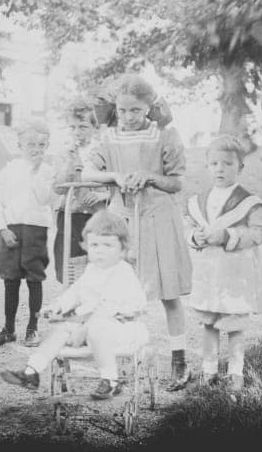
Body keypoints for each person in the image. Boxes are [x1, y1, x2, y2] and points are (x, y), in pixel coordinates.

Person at [82, 73, 193, 391]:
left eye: (136, 110)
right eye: (123, 110)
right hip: (125, 220)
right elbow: (89, 171)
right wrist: (116, 177)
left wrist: (149, 176)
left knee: (168, 293)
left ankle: (179, 362)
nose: (128, 117)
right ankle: (115, 369)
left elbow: (177, 181)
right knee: (118, 294)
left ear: (149, 107)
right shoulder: (110, 137)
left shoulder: (166, 135)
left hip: (158, 217)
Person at [0, 211, 148, 400]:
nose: (100, 250)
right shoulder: (92, 269)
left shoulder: (122, 273)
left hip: (119, 328)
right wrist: (58, 306)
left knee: (97, 328)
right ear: (86, 246)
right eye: (94, 245)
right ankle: (32, 371)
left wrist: (84, 330)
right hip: (87, 325)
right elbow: (76, 292)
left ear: (122, 249)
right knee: (61, 330)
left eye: (107, 245)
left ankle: (110, 379)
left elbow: (107, 309)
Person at [186, 134, 262, 394]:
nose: (220, 169)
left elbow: (258, 234)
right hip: (209, 273)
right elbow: (189, 227)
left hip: (234, 274)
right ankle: (208, 369)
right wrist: (194, 236)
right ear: (207, 166)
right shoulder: (198, 201)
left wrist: (229, 236)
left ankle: (235, 371)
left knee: (233, 324)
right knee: (208, 322)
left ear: (240, 168)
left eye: (228, 164)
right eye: (215, 164)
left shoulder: (248, 202)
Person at [0, 119, 53, 348]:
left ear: (47, 146)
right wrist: (2, 228)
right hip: (11, 230)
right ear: (20, 145)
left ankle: (33, 328)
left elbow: (44, 198)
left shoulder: (47, 171)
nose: (36, 149)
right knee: (11, 279)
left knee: (35, 279)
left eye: (41, 145)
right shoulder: (9, 169)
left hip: (35, 228)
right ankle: (8, 328)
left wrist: (36, 172)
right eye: (31, 144)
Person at [52, 98, 108, 284]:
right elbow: (58, 187)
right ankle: (71, 305)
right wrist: (70, 164)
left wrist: (102, 195)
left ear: (95, 128)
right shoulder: (63, 153)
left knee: (97, 266)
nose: (77, 132)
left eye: (83, 127)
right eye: (73, 127)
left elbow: (112, 184)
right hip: (70, 215)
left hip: (95, 215)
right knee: (69, 267)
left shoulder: (103, 152)